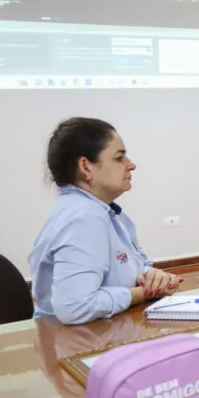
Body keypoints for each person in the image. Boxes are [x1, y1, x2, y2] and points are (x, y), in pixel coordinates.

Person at [29, 118, 182, 325]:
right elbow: (76, 307)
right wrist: (143, 293)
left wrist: (153, 277)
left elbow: (128, 266)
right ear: (86, 166)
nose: (131, 165)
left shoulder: (102, 210)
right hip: (75, 342)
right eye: (119, 158)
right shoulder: (82, 217)